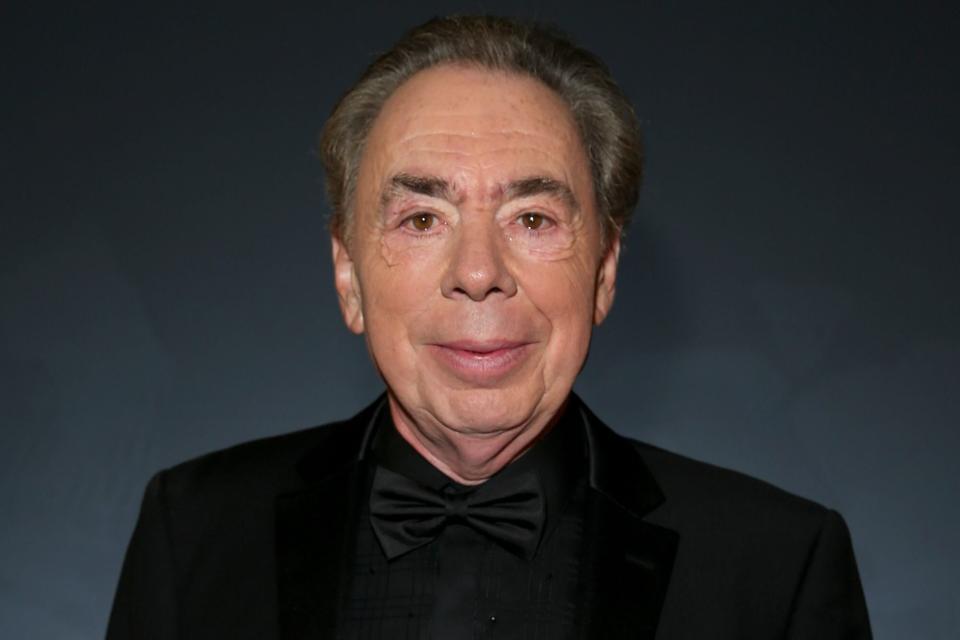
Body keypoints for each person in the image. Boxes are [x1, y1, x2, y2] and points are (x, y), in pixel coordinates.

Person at [106, 15, 872, 640]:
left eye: (533, 218)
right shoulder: (195, 533)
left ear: (603, 272)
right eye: (422, 218)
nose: (478, 271)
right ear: (348, 276)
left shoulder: (777, 568)